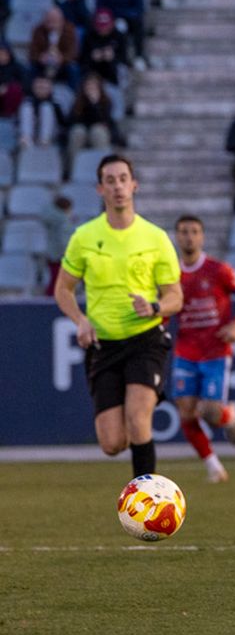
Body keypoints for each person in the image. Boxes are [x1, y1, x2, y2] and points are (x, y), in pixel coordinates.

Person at [54, 155, 183, 480]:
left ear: (134, 185)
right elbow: (63, 290)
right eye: (110, 181)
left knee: (139, 420)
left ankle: (147, 504)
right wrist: (80, 320)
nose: (118, 187)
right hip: (103, 346)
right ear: (100, 189)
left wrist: (155, 308)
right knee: (112, 443)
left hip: (145, 339)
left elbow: (175, 297)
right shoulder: (84, 237)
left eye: (123, 179)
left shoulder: (155, 237)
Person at [171, 215, 235, 484]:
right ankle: (213, 466)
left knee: (208, 411)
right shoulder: (170, 275)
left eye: (194, 231)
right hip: (185, 350)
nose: (189, 237)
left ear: (202, 237)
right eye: (184, 232)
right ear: (176, 237)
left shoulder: (219, 270)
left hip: (215, 351)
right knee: (185, 411)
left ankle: (228, 414)